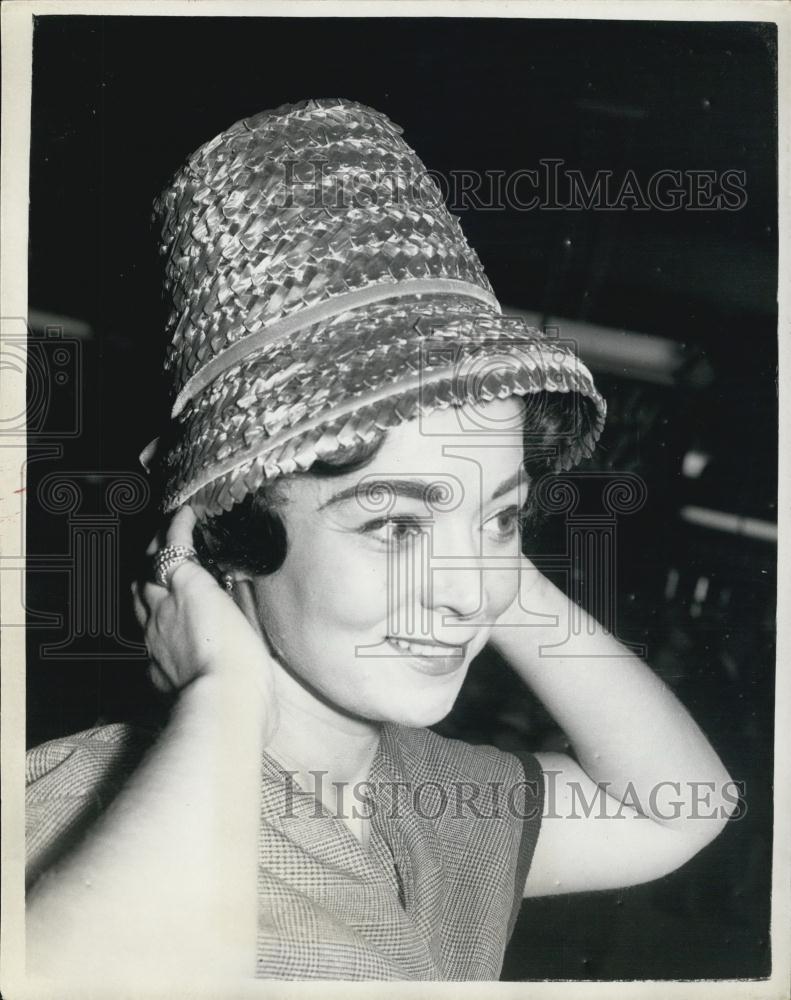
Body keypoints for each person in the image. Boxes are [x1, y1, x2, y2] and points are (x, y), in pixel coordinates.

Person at [25, 99, 736, 985]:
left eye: (506, 519)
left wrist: (475, 532)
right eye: (394, 524)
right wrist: (223, 699)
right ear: (224, 536)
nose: (470, 594)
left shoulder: (428, 801)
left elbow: (682, 806)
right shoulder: (74, 805)